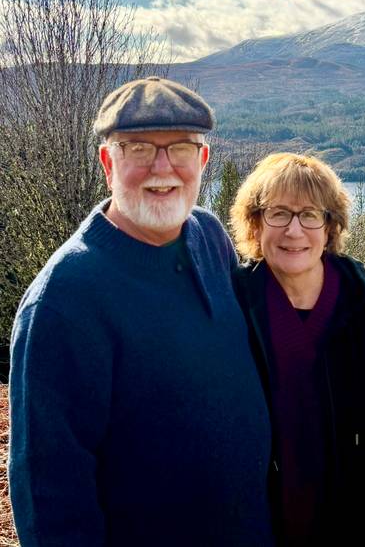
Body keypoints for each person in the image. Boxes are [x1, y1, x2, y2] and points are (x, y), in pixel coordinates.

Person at [9, 76, 274, 547]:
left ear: (203, 160)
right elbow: (50, 494)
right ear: (108, 162)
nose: (163, 167)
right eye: (138, 149)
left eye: (181, 149)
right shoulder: (64, 300)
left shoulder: (210, 238)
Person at [230, 152, 365, 547]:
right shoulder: (234, 305)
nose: (294, 230)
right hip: (262, 526)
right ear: (255, 224)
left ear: (330, 226)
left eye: (310, 214)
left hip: (359, 524)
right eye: (278, 214)